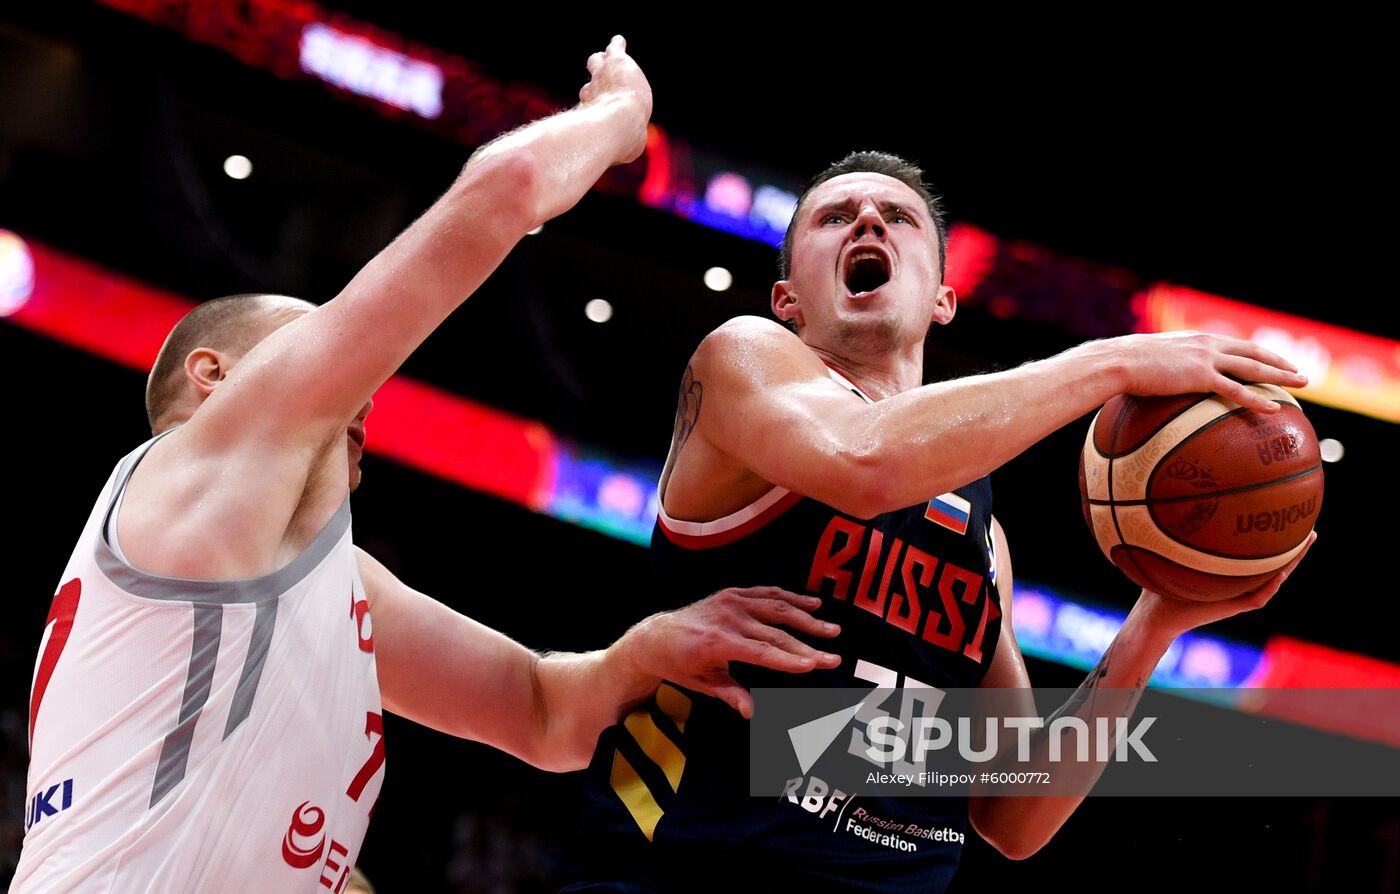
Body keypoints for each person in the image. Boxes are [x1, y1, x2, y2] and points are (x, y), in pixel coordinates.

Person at [12, 38, 842, 893]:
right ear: (215, 376)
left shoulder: (330, 586)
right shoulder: (198, 466)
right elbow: (504, 194)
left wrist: (647, 651)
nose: (360, 388)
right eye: (312, 342)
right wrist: (619, 119)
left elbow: (542, 711)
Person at [572, 151, 1315, 892]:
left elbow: (1014, 813)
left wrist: (1154, 624)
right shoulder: (743, 359)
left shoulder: (980, 536)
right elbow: (863, 461)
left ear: (943, 300)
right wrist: (1111, 362)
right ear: (787, 299)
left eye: (899, 219)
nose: (868, 219)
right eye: (836, 217)